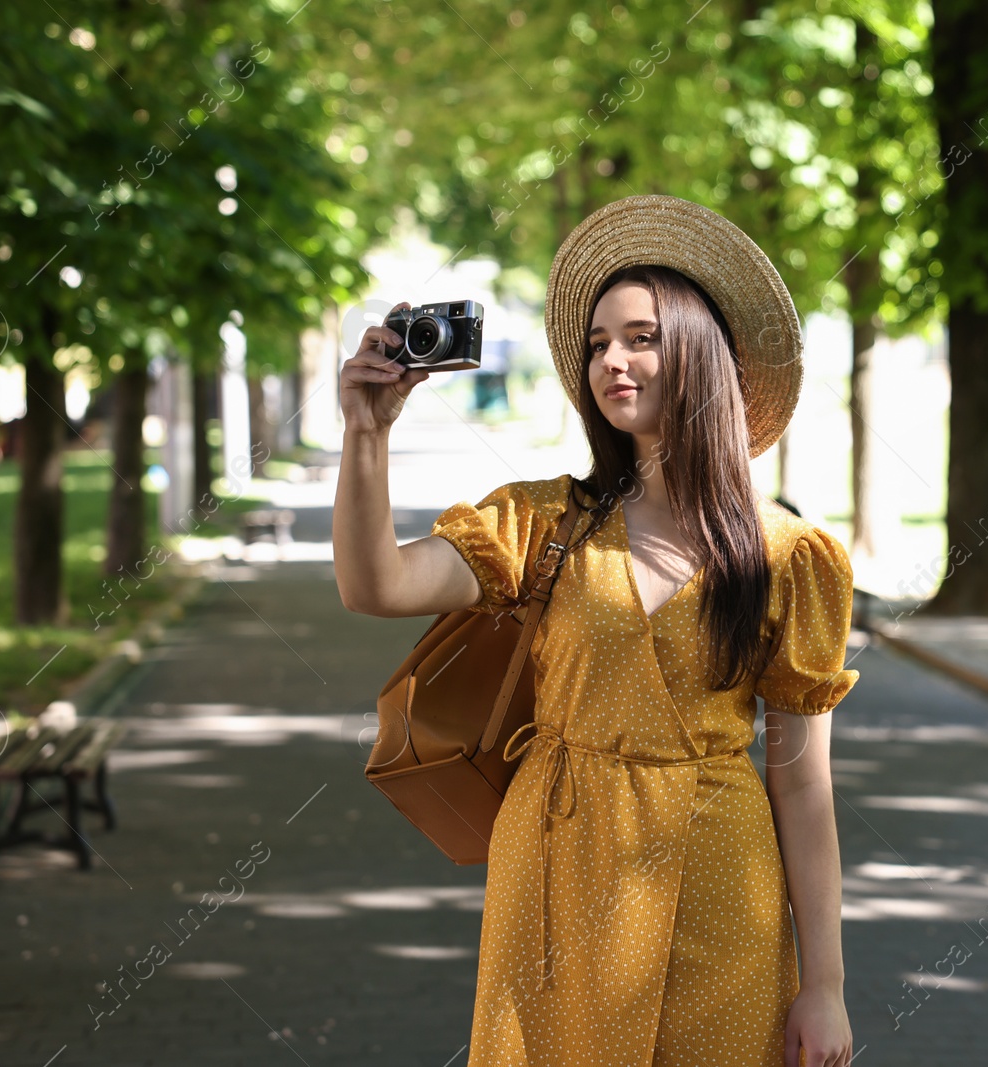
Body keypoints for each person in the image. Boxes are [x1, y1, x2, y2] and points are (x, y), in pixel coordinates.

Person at [334, 194, 859, 1067]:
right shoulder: (541, 521)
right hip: (556, 876)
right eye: (595, 343)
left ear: (700, 350)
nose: (611, 359)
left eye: (641, 336)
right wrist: (366, 435)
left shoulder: (788, 556)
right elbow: (374, 584)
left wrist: (827, 984)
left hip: (721, 891)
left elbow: (803, 788)